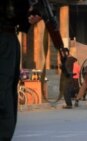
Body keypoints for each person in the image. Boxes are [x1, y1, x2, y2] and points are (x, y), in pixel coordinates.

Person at [0, 1, 41, 140]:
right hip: (5, 40)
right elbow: (18, 14)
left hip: (8, 36)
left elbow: (21, 22)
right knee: (5, 93)